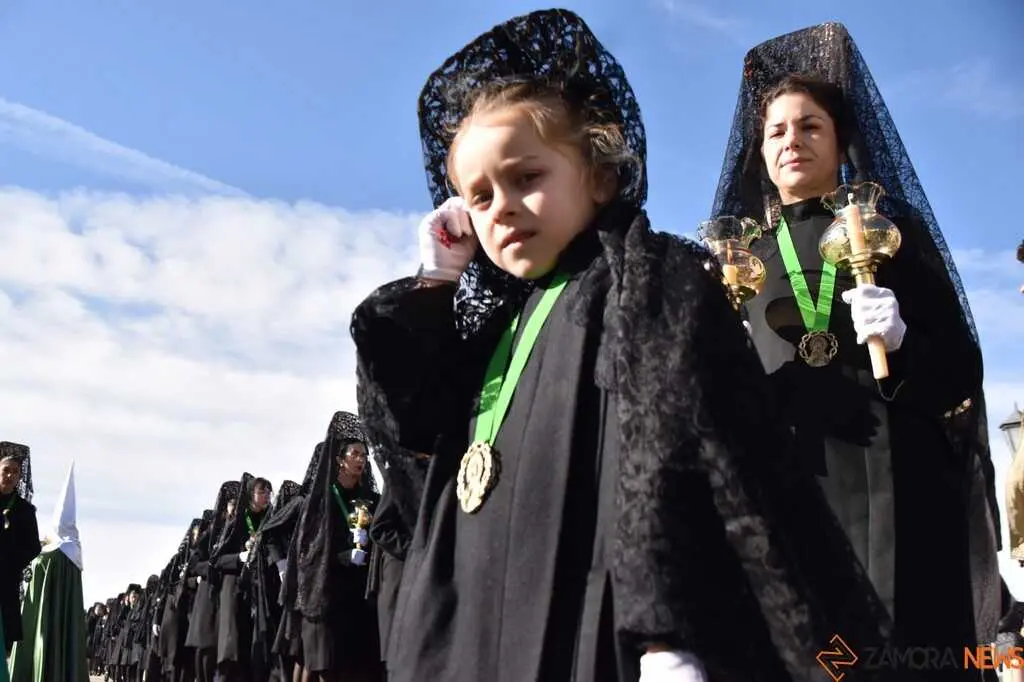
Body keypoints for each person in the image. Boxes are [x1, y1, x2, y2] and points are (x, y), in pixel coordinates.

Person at [351, 9, 892, 681]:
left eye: (526, 177)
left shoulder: (649, 281)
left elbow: (682, 458)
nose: (502, 208)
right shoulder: (491, 329)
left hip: (589, 619)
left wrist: (669, 632)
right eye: (478, 195)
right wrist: (437, 282)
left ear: (600, 175)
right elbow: (408, 429)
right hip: (468, 625)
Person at [709, 21, 1000, 670]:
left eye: (809, 126)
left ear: (841, 141)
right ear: (760, 152)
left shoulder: (891, 235)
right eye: (777, 130)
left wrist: (901, 340)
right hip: (790, 502)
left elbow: (959, 373)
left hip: (900, 498)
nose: (792, 141)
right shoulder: (740, 265)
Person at [281, 412, 381, 682]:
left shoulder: (372, 499)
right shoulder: (320, 502)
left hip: (361, 597)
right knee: (326, 668)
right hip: (327, 594)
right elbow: (307, 551)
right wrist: (341, 556)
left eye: (364, 455)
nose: (361, 460)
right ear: (340, 460)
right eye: (355, 454)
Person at [0, 442, 40, 658]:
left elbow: (33, 546)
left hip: (5, 583)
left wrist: (9, 559)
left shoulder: (25, 510)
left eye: (15, 472)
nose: (10, 476)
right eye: (6, 470)